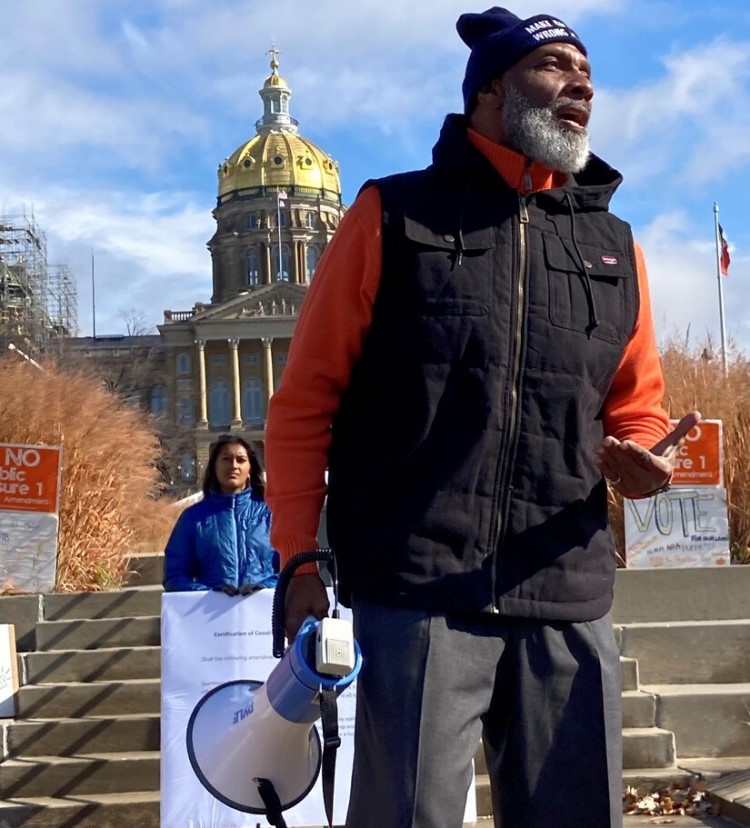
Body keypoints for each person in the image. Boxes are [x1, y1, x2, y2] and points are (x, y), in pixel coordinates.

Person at [265, 8, 699, 828]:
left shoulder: (617, 246)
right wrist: (298, 561)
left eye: (589, 72)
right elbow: (303, 405)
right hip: (416, 596)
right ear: (492, 89)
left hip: (567, 600)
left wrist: (646, 458)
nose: (583, 83)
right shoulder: (389, 216)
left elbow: (638, 408)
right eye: (557, 65)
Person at [163, 434, 278, 594]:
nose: (233, 465)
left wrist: (266, 587)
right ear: (214, 467)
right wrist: (208, 593)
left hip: (263, 611)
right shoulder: (193, 518)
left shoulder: (270, 514)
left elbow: (291, 568)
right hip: (212, 613)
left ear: (250, 468)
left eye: (241, 460)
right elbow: (175, 575)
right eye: (226, 459)